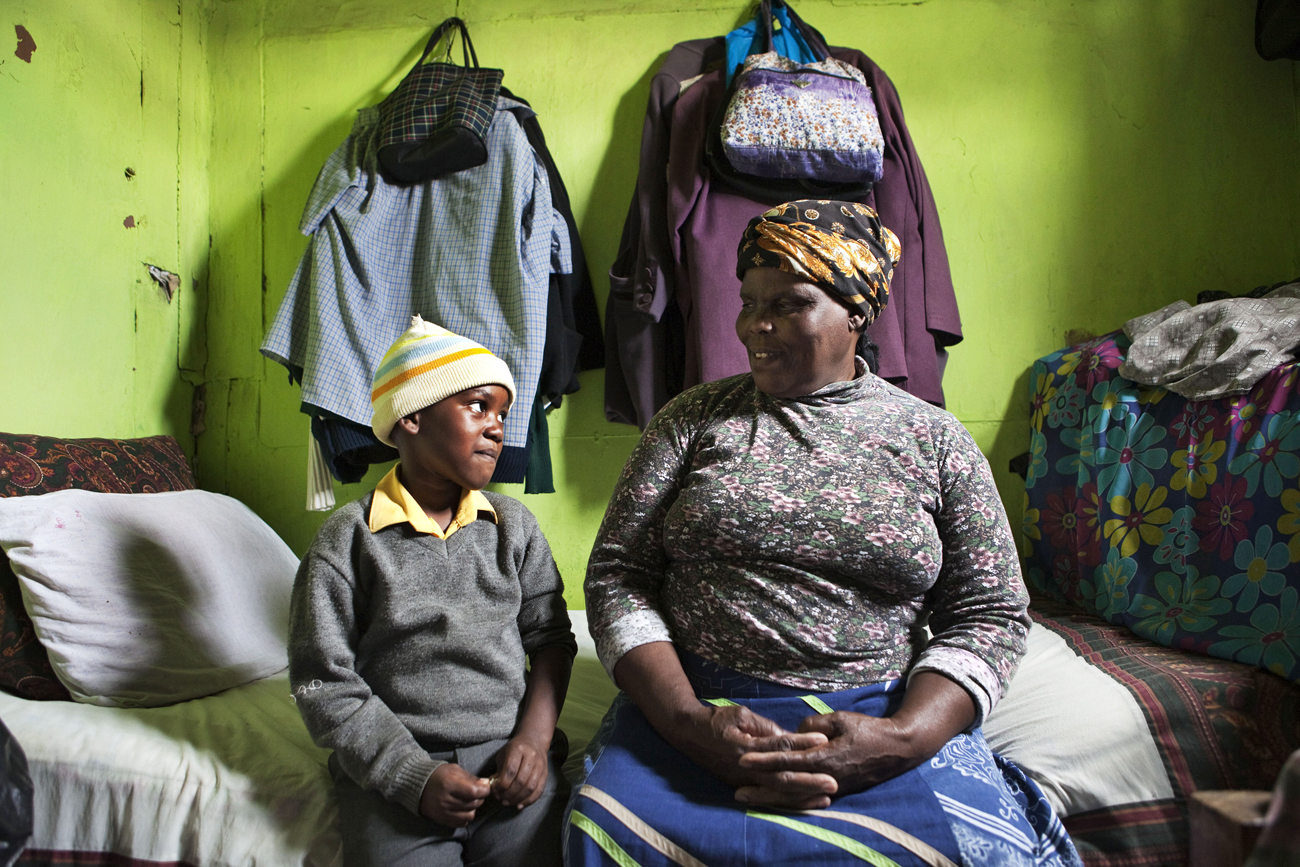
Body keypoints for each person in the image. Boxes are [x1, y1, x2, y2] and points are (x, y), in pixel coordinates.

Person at [569, 202, 1081, 866]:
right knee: (606, 838)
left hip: (880, 714)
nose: (755, 324)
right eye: (750, 301)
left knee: (987, 852)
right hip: (699, 708)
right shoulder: (692, 420)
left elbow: (989, 611)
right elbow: (619, 575)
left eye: (788, 304)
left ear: (856, 314)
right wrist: (687, 724)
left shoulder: (933, 439)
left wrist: (902, 737)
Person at [289, 316, 576, 867]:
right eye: (477, 406)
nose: (497, 427)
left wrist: (535, 743)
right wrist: (412, 776)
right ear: (412, 417)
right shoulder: (349, 540)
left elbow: (552, 639)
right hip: (398, 776)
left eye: (502, 414)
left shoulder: (513, 527)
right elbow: (321, 682)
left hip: (512, 766)